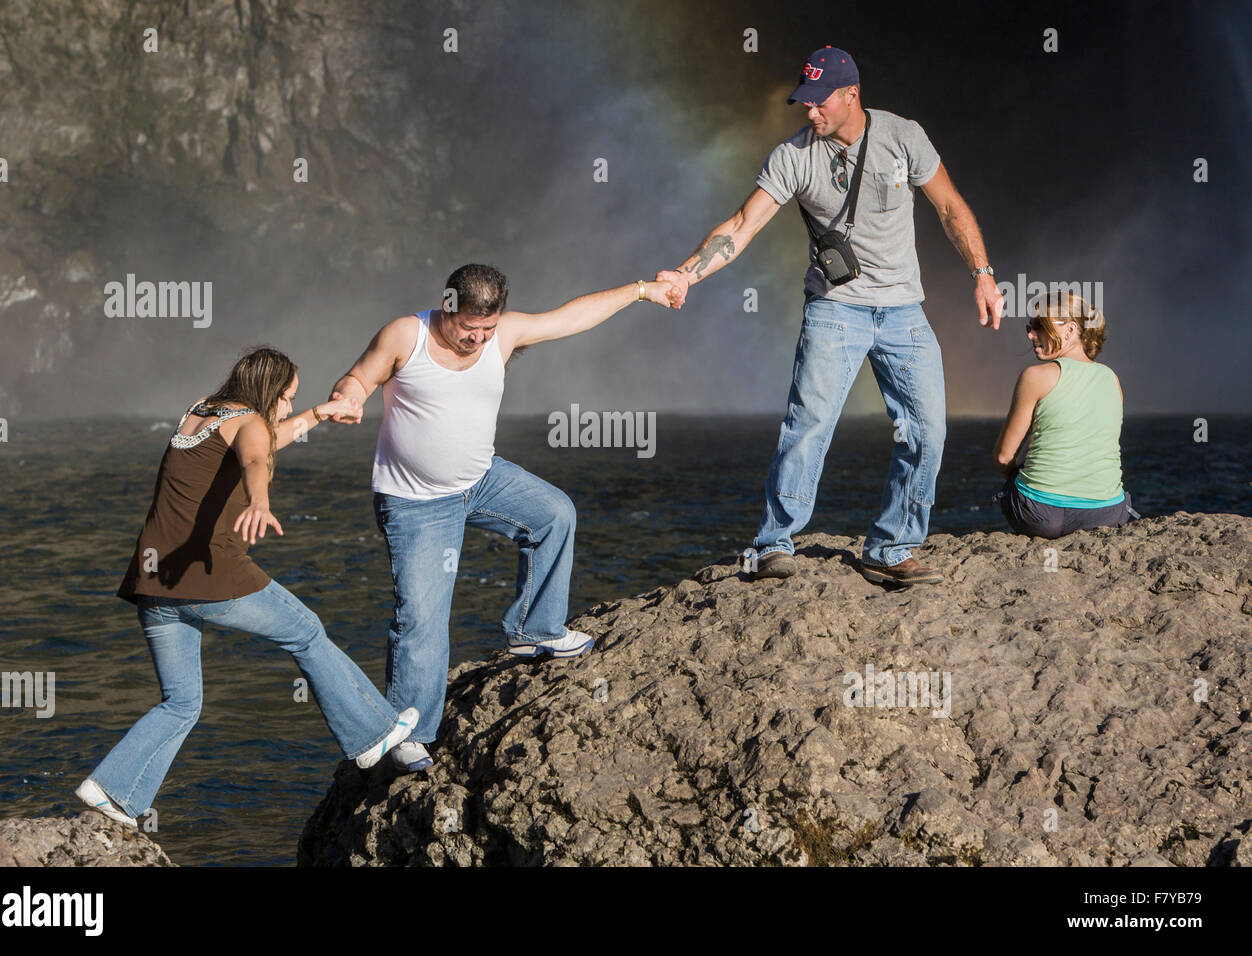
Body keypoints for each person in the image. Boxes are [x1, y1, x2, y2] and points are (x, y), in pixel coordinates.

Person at [657, 46, 1005, 586]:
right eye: (804, 102)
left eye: (820, 103)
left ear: (851, 95)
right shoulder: (793, 156)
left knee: (929, 430)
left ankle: (892, 547)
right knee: (808, 425)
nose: (810, 112)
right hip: (834, 308)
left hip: (903, 311)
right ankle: (774, 544)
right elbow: (742, 225)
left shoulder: (903, 136)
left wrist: (983, 273)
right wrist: (685, 274)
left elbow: (949, 206)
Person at [327, 264, 674, 772]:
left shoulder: (502, 334)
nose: (477, 338)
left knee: (554, 514)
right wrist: (349, 396)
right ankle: (409, 732)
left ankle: (535, 630)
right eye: (470, 326)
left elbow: (571, 317)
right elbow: (359, 375)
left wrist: (642, 291)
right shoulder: (407, 334)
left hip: (480, 480)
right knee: (422, 618)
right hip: (415, 501)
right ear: (448, 305)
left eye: (487, 329)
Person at [75, 347, 419, 830]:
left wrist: (319, 412)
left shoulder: (202, 410)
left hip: (153, 584)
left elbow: (265, 438)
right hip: (210, 575)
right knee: (305, 630)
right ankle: (372, 735)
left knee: (181, 702)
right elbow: (258, 456)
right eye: (288, 398)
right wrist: (260, 501)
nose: (285, 407)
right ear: (270, 392)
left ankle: (112, 788)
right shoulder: (252, 423)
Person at [993, 292, 1135, 537]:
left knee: (1020, 472)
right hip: (1104, 515)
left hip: (1038, 516)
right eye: (1030, 327)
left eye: (1040, 326)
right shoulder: (1112, 379)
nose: (1030, 334)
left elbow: (1003, 457)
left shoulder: (1034, 376)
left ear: (1069, 331)